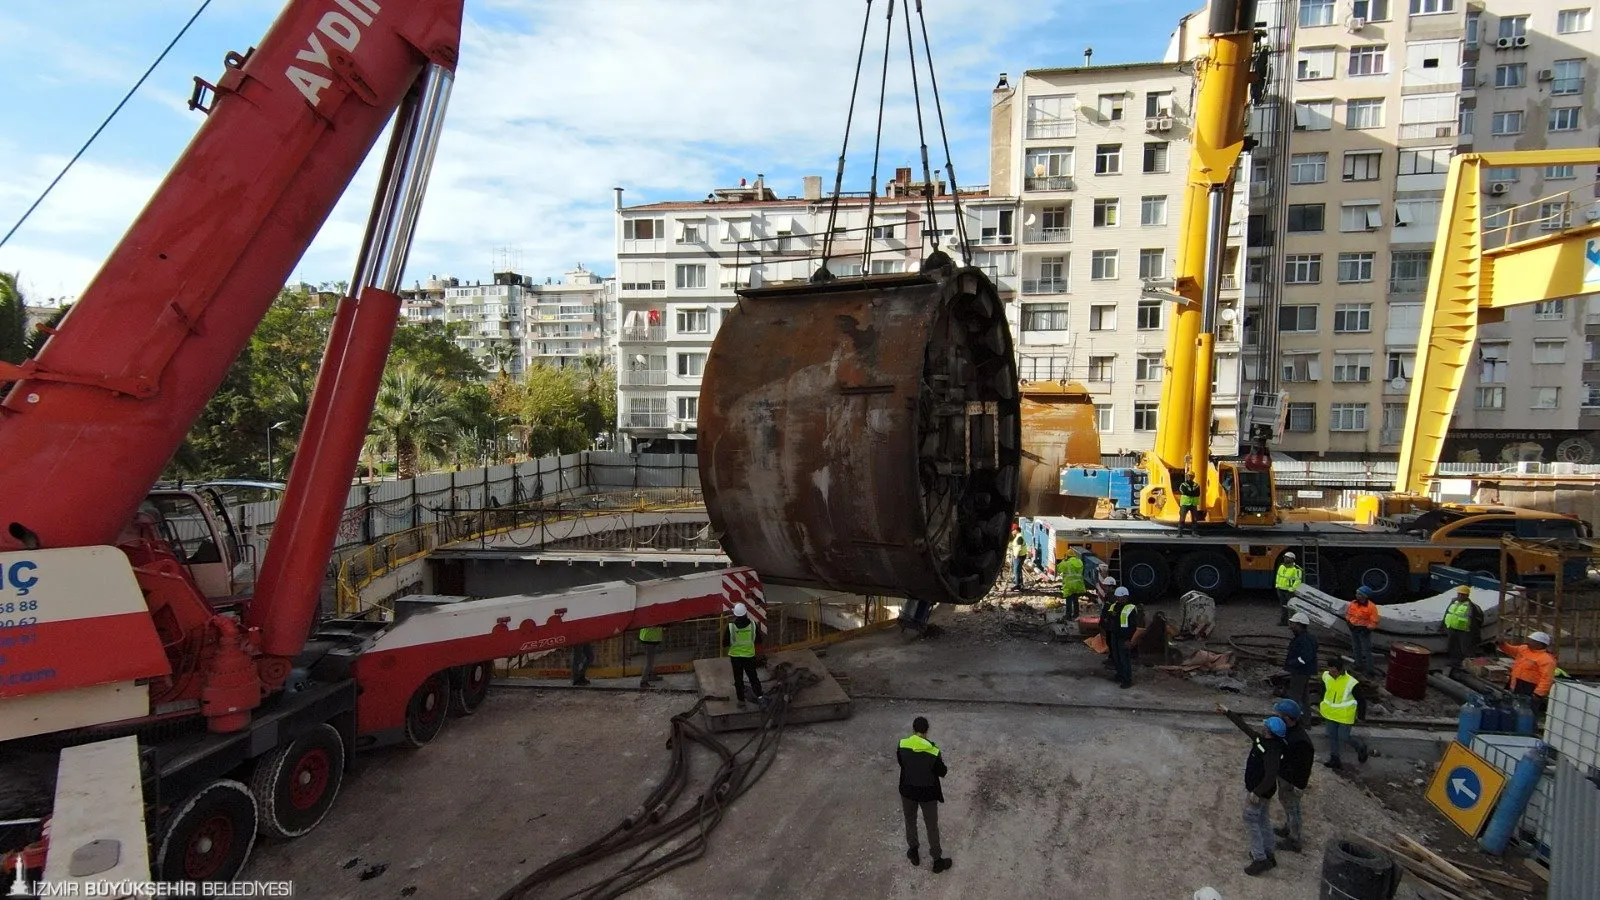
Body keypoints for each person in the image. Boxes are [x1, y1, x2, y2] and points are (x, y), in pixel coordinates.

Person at [1217, 704, 1285, 876]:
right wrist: (1228, 712)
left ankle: (1260, 858)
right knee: (1263, 820)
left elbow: (1270, 776)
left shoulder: (1271, 751)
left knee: (1250, 820)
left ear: (1269, 731)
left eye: (1265, 726)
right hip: (1264, 793)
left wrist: (1256, 792)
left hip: (1259, 793)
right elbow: (1245, 728)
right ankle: (1269, 853)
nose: (1262, 727)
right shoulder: (1264, 741)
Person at [897, 716, 952, 873]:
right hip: (928, 794)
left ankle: (913, 852)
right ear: (927, 731)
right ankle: (937, 860)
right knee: (931, 826)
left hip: (907, 791)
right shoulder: (933, 751)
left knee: (910, 820)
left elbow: (902, 763)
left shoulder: (902, 745)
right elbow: (943, 772)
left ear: (913, 730)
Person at [1270, 698, 1315, 854]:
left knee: (1293, 808)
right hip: (1285, 777)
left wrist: (1299, 785)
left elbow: (1304, 767)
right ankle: (1288, 828)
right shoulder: (1289, 732)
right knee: (1287, 804)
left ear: (1287, 718)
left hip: (1292, 781)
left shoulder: (1300, 741)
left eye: (1278, 714)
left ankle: (1294, 840)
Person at [1320, 659, 1368, 770]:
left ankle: (1360, 747)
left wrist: (1361, 716)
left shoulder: (1351, 683)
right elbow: (1323, 690)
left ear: (1341, 670)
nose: (1332, 674)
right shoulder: (1326, 677)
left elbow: (1361, 700)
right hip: (1330, 713)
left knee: (1343, 737)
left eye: (1335, 672)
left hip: (1344, 715)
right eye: (1330, 671)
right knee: (1332, 736)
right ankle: (1334, 759)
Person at [1499, 631, 1557, 715]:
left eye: (1532, 640)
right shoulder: (1524, 649)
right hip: (1515, 683)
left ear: (1540, 644)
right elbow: (1510, 650)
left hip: (1529, 688)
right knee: (1511, 709)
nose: (1528, 642)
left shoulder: (1546, 659)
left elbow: (1546, 679)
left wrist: (1538, 694)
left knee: (1527, 712)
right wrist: (1502, 644)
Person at [726, 603, 765, 708]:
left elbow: (724, 643)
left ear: (735, 614)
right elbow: (759, 640)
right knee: (753, 677)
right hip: (749, 656)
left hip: (736, 657)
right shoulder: (753, 625)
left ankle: (741, 701)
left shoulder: (731, 627)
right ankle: (760, 698)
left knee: (738, 679)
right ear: (745, 613)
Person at [1108, 586, 1146, 689]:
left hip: (1124, 637)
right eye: (1118, 597)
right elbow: (1110, 619)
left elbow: (1134, 626)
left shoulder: (1131, 608)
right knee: (1117, 657)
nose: (1119, 599)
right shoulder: (1114, 606)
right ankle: (1120, 675)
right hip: (1115, 635)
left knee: (1125, 659)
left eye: (1121, 597)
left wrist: (1130, 639)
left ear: (1126, 597)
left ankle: (1127, 679)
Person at [1442, 585, 1484, 667]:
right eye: (1459, 594)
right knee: (1453, 647)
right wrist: (1443, 626)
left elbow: (1479, 619)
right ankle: (1454, 662)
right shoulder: (1453, 602)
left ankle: (1468, 666)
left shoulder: (1472, 606)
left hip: (1465, 631)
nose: (1460, 596)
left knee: (1466, 649)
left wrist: (1474, 632)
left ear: (1467, 596)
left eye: (1463, 594)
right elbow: (1447, 613)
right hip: (1452, 629)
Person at [1283, 612, 1318, 710]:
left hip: (1300, 672)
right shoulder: (1304, 637)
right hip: (1303, 671)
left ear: (1299, 625)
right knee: (1304, 698)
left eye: (1293, 624)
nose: (1291, 626)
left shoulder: (1304, 639)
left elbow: (1306, 656)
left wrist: (1293, 663)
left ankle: (1295, 721)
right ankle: (1305, 723)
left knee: (1295, 698)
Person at [1345, 586, 1380, 676]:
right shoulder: (1353, 603)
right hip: (1354, 628)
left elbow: (1374, 621)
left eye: (1359, 594)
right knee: (1356, 648)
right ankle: (1358, 665)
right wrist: (1349, 622)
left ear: (1364, 596)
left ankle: (1370, 670)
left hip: (1364, 631)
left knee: (1366, 650)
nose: (1357, 595)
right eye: (1357, 593)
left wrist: (1367, 629)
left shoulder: (1371, 607)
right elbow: (1348, 614)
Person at [1274, 553, 1302, 626]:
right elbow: (1278, 576)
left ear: (1292, 559)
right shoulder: (1281, 566)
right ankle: (1284, 621)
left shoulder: (1297, 569)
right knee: (1283, 606)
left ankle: (1293, 624)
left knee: (1292, 608)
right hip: (1280, 590)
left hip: (1289, 592)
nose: (1285, 559)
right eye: (1285, 557)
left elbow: (1298, 581)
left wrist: (1291, 589)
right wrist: (1277, 586)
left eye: (1288, 558)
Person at [637, 624, 664, 689]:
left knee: (651, 660)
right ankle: (643, 681)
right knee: (649, 661)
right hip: (649, 639)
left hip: (651, 638)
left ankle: (650, 676)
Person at [1177, 470, 1202, 535]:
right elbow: (1185, 492)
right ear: (1187, 476)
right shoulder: (1183, 485)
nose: (1190, 477)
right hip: (1185, 504)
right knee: (1182, 518)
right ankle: (1179, 533)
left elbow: (1198, 494)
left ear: (1193, 477)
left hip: (1193, 504)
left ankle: (1194, 533)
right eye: (1189, 476)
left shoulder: (1196, 485)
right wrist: (1192, 493)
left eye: (1191, 476)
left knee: (1195, 519)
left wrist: (1190, 493)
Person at [1008, 524, 1027, 592]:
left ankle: (1017, 585)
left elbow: (1019, 546)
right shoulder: (1018, 536)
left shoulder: (1019, 537)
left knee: (1016, 570)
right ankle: (1020, 584)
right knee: (1018, 570)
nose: (1012, 532)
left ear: (1016, 530)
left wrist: (1016, 555)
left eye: (1012, 530)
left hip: (1019, 556)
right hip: (1020, 555)